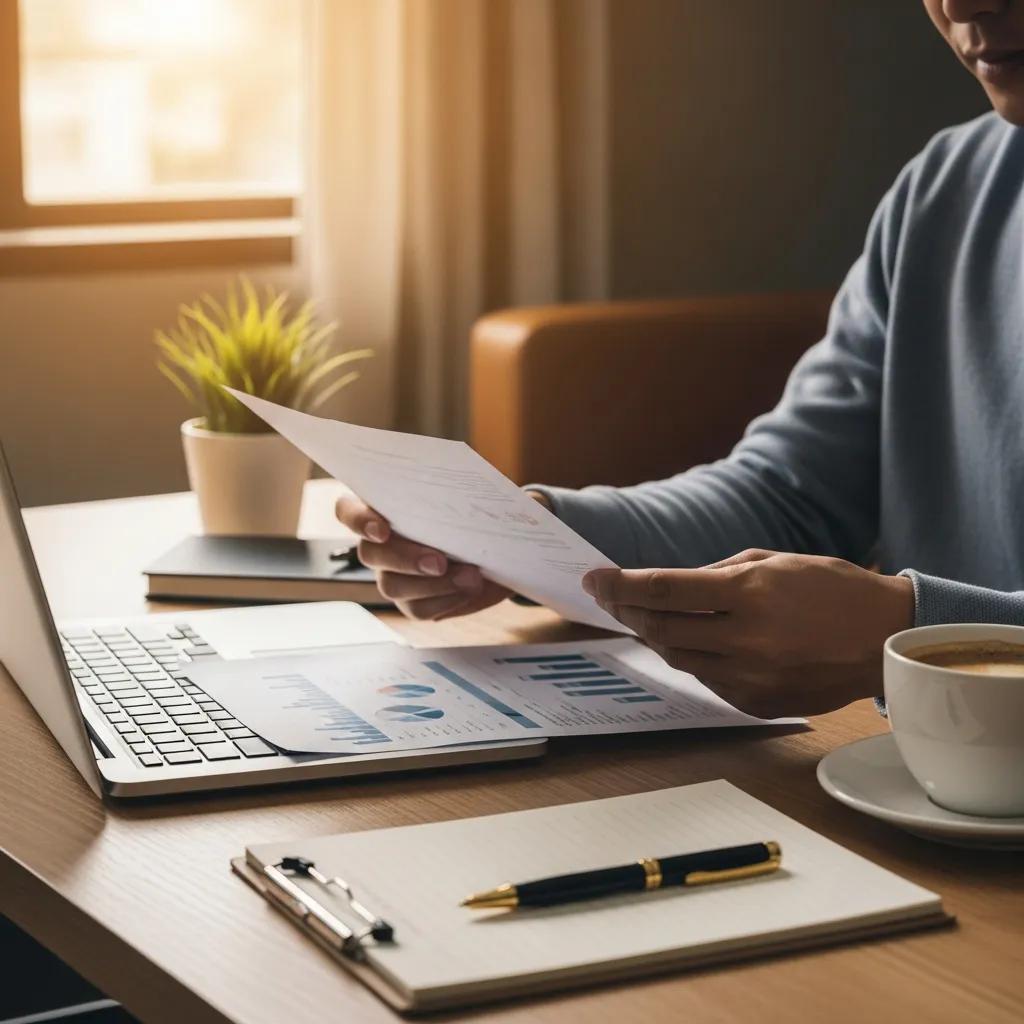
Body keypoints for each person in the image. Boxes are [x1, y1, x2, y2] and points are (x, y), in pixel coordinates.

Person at [338, 0, 1024, 719]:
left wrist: (912, 631)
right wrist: (524, 533)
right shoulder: (946, 190)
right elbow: (790, 498)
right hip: (924, 771)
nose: (961, 4)